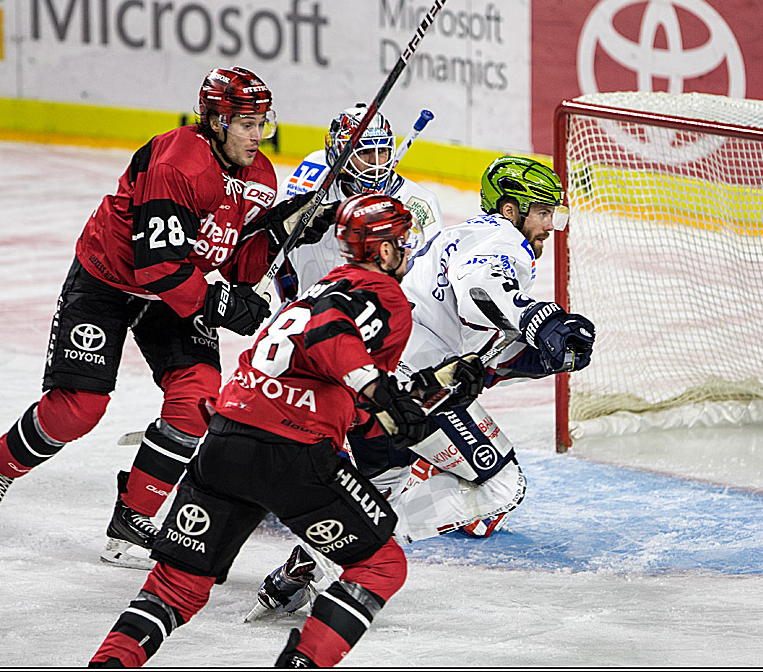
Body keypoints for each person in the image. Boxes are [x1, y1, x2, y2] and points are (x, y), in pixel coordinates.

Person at [0, 66, 337, 569]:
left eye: (261, 124)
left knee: (197, 400)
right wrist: (221, 305)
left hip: (174, 293)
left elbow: (233, 263)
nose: (257, 136)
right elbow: (157, 264)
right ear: (216, 121)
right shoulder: (179, 163)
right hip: (109, 280)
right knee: (78, 408)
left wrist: (277, 233)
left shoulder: (260, 178)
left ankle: (131, 520)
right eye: (246, 125)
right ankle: (2, 466)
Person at [89, 193, 429, 668]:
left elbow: (345, 384)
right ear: (385, 250)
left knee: (176, 587)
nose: (408, 249)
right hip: (291, 451)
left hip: (226, 439)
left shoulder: (321, 287)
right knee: (381, 565)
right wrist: (377, 389)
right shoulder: (383, 294)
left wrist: (417, 393)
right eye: (402, 241)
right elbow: (329, 334)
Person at [248, 156, 596, 619]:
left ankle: (298, 572)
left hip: (373, 380)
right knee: (502, 485)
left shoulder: (463, 235)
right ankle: (348, 552)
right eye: (543, 212)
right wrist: (536, 317)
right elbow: (480, 290)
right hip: (412, 387)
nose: (551, 225)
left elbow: (478, 350)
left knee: (384, 487)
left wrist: (541, 356)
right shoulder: (502, 240)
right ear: (511, 209)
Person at [273, 103, 444, 304]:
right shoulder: (308, 185)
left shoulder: (419, 204)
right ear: (339, 154)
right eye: (364, 152)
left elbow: (430, 283)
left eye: (382, 151)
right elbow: (280, 253)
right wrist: (292, 300)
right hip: (312, 310)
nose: (375, 163)